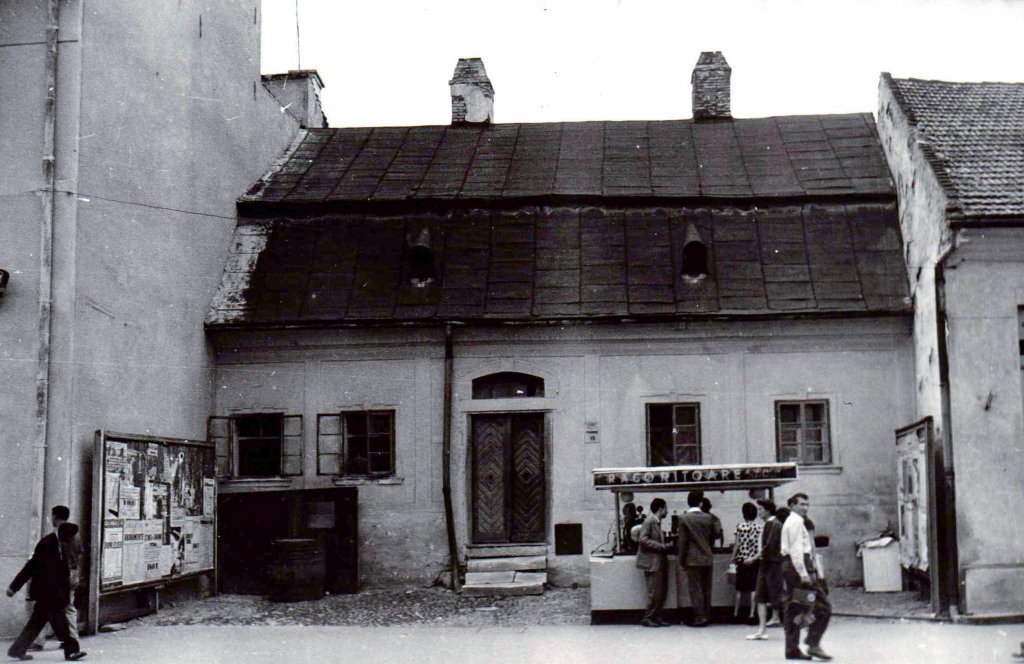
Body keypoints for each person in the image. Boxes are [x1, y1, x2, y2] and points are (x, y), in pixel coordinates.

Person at [6, 505, 87, 661]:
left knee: (38, 622)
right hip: (50, 591)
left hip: (51, 591)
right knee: (59, 623)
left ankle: (17, 649)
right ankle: (71, 651)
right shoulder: (58, 542)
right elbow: (32, 567)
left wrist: (14, 587)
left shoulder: (53, 543)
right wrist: (14, 587)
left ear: (54, 518)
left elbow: (32, 567)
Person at [780, 493, 831, 661]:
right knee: (823, 606)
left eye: (807, 504)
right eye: (801, 504)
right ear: (792, 505)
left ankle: (792, 648)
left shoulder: (792, 521)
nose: (805, 507)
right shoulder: (795, 522)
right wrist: (804, 574)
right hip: (798, 566)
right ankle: (813, 644)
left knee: (795, 608)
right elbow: (796, 551)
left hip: (793, 566)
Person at [677, 490, 716, 626]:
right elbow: (714, 536)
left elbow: (682, 542)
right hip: (707, 557)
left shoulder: (683, 518)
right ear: (700, 502)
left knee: (695, 589)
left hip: (692, 559)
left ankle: (699, 617)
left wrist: (681, 560)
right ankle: (707, 615)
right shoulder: (709, 518)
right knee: (706, 588)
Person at [748, 499, 785, 640]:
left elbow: (769, 545)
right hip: (768, 564)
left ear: (768, 510)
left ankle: (799, 624)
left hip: (773, 564)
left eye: (760, 509)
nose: (758, 512)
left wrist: (754, 557)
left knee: (778, 596)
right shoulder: (770, 524)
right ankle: (761, 629)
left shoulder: (774, 525)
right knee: (761, 597)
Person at [635, 497, 674, 627]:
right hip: (652, 563)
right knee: (655, 592)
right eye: (666, 508)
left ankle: (656, 616)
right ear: (660, 509)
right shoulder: (649, 521)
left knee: (660, 591)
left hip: (657, 562)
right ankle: (648, 617)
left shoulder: (655, 522)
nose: (667, 512)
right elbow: (643, 540)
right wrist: (662, 546)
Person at [732, 502, 762, 619]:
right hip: (755, 560)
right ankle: (752, 613)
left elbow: (737, 545)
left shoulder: (740, 527)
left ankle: (735, 613)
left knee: (739, 588)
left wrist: (732, 558)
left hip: (742, 560)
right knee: (753, 587)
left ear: (744, 514)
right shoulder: (760, 528)